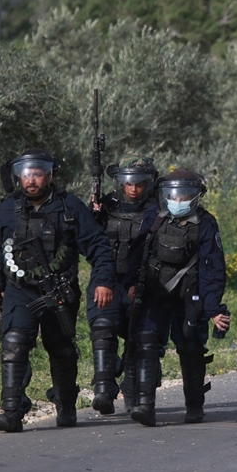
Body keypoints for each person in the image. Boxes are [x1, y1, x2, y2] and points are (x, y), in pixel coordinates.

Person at [0, 148, 116, 432]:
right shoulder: (8, 207)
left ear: (48, 176)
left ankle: (66, 405)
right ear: (17, 177)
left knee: (61, 350)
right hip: (20, 290)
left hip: (59, 290)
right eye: (26, 174)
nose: (31, 180)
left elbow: (98, 246)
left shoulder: (69, 207)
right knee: (14, 344)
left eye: (37, 174)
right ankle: (11, 412)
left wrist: (104, 281)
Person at [124, 169, 229, 426]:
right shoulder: (155, 217)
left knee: (190, 347)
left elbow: (213, 269)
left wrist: (213, 308)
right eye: (173, 195)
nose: (178, 201)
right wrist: (130, 284)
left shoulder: (206, 224)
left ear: (195, 197)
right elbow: (137, 252)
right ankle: (144, 405)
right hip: (155, 294)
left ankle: (194, 406)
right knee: (146, 342)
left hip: (189, 296)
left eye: (184, 196)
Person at [90, 154, 160, 414]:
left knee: (140, 337)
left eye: (139, 183)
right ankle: (103, 388)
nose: (133, 189)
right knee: (102, 327)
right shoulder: (107, 205)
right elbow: (91, 242)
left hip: (143, 282)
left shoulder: (157, 208)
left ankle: (135, 390)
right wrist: (93, 213)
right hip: (108, 279)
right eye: (128, 183)